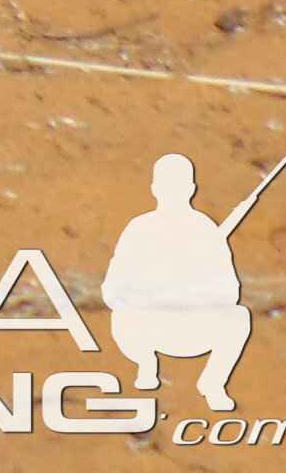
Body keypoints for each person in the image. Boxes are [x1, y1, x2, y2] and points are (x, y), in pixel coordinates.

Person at [100, 153, 259, 411]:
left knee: (239, 317)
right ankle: (146, 364)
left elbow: (230, 291)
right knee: (122, 314)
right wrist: (150, 294)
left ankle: (213, 382)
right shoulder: (140, 228)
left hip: (194, 327)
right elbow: (113, 288)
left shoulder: (205, 230)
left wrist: (194, 292)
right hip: (146, 328)